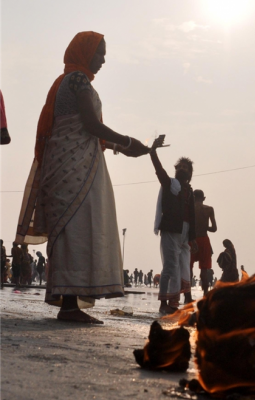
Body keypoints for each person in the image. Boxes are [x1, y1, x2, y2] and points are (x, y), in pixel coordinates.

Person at [15, 32, 150, 323]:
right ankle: (69, 307)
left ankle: (70, 304)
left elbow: (87, 129)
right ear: (84, 52)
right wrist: (126, 142)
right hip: (70, 168)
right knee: (72, 230)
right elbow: (90, 124)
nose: (102, 60)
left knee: (74, 232)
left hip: (70, 165)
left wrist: (120, 148)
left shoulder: (73, 81)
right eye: (99, 53)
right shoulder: (77, 80)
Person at [150, 133, 197, 313]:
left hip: (185, 233)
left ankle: (175, 303)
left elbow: (191, 217)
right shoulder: (170, 184)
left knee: (183, 267)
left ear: (190, 174)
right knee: (170, 267)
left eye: (186, 167)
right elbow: (159, 169)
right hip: (170, 230)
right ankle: (164, 304)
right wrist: (153, 152)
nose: (183, 169)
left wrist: (192, 239)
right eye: (180, 166)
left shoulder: (189, 192)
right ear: (176, 169)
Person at [189, 189, 217, 296]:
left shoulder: (190, 209)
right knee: (204, 270)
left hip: (191, 239)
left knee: (189, 268)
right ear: (204, 198)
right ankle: (205, 295)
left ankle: (188, 295)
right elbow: (214, 228)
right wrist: (206, 227)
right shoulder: (209, 209)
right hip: (204, 240)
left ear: (193, 198)